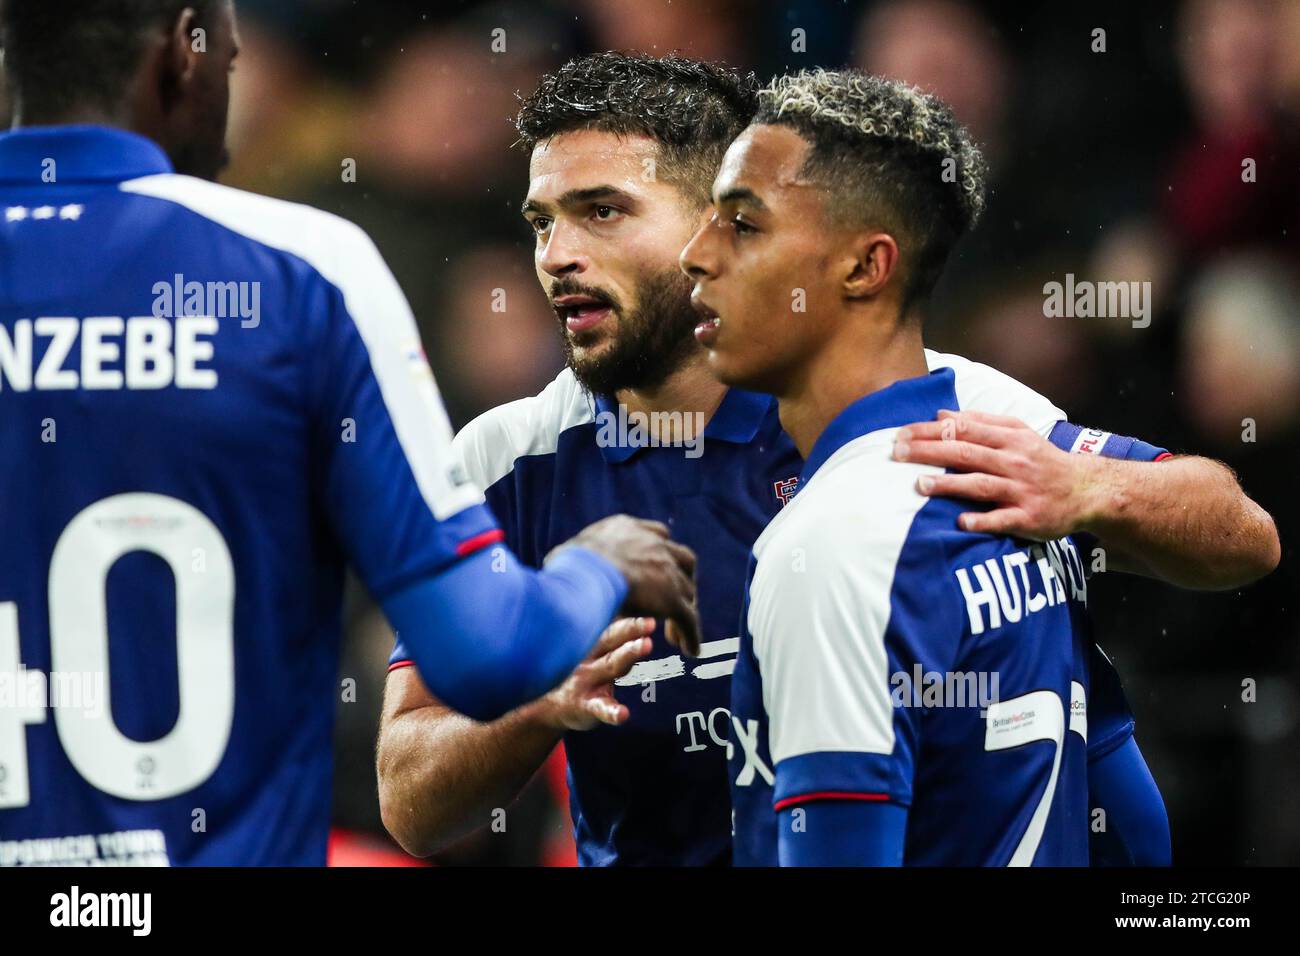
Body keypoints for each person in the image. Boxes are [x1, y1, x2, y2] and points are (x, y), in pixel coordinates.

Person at [377, 54, 1279, 865]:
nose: (558, 256)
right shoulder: (501, 463)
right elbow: (409, 805)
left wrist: (1090, 487)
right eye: (541, 222)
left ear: (713, 225)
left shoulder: (930, 414)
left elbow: (1243, 537)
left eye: (602, 213)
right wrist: (538, 699)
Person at [0, 1, 698, 866]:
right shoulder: (299, 268)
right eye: (229, 54)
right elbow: (488, 654)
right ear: (183, 53)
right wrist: (601, 563)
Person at [677, 68, 1263, 865]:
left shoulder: (844, 542)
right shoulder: (990, 422)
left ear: (863, 268)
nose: (695, 254)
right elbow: (1130, 812)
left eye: (743, 225)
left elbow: (1247, 536)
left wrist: (1091, 487)